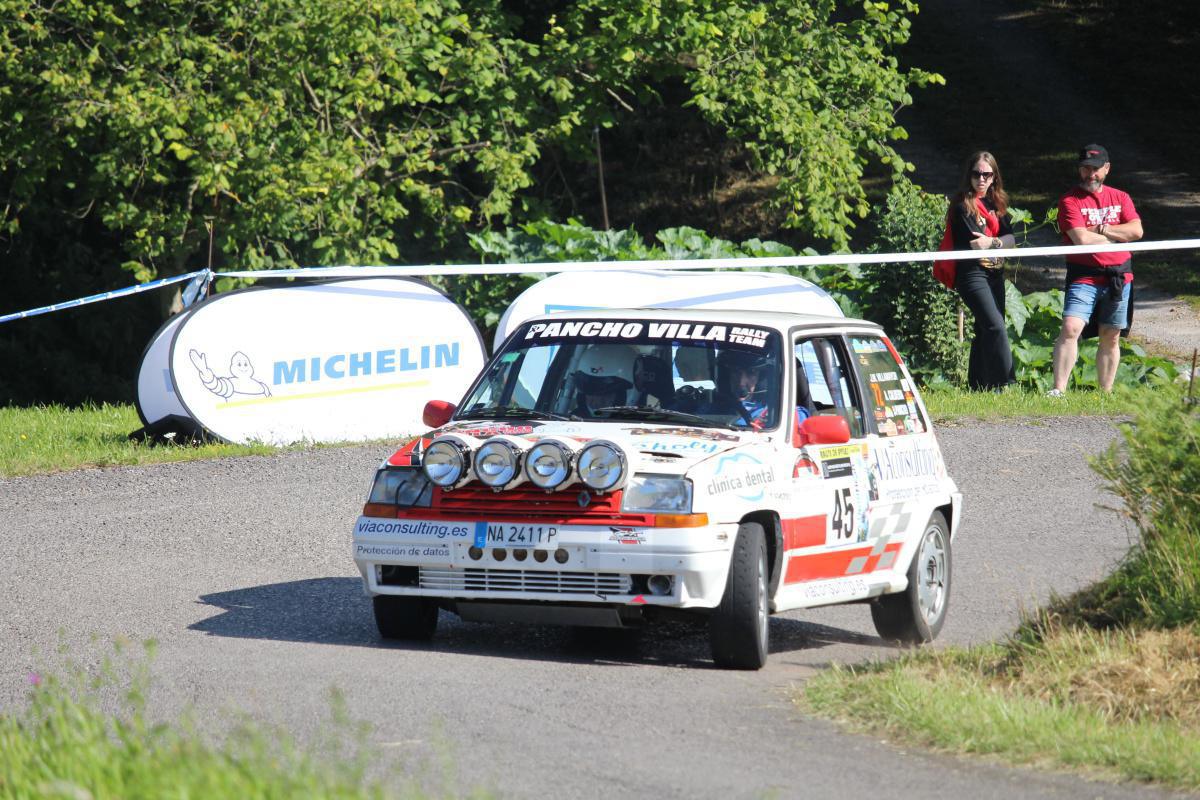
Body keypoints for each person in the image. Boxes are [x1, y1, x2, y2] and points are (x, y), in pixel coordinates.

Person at [1049, 144, 1143, 395]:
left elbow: (1137, 231)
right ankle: (1058, 390)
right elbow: (1081, 239)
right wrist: (1117, 235)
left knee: (1111, 335)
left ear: (1107, 169)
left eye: (1096, 169)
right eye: (1085, 169)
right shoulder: (1069, 200)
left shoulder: (1121, 197)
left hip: (1119, 276)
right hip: (1084, 276)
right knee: (1070, 328)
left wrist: (1102, 230)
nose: (1090, 174)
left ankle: (1105, 393)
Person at [946, 151, 1016, 390]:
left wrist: (994, 243)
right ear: (969, 176)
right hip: (972, 274)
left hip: (995, 273)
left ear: (994, 177)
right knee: (995, 326)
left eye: (987, 174)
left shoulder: (997, 204)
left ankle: (978, 386)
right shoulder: (962, 206)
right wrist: (997, 243)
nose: (982, 179)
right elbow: (978, 243)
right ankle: (1006, 382)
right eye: (977, 174)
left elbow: (1010, 240)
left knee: (984, 328)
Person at [570, 344, 636, 416]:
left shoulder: (641, 424)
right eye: (589, 392)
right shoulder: (568, 421)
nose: (596, 401)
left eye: (605, 394)